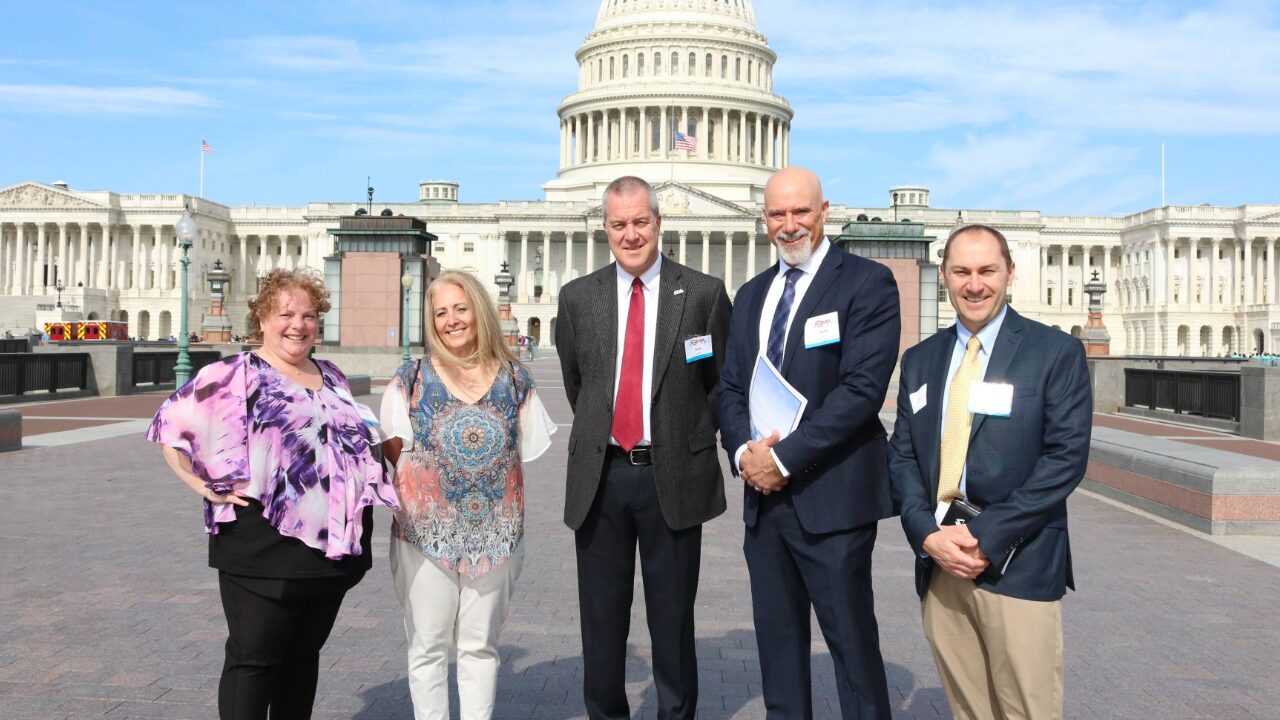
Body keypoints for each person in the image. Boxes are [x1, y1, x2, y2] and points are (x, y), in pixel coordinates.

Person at [146, 268, 398, 720]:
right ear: (261, 318)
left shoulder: (332, 374)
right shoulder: (234, 373)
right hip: (260, 543)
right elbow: (170, 427)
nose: (297, 325)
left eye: (308, 315)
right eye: (285, 314)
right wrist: (203, 485)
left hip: (331, 551)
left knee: (302, 660)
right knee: (254, 660)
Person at [716, 166, 900, 719]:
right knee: (778, 652)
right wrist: (744, 453)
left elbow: (861, 391)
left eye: (801, 211)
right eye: (777, 213)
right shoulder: (750, 295)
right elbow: (729, 387)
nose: (790, 225)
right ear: (763, 220)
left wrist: (783, 458)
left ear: (825, 211)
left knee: (852, 650)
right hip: (765, 505)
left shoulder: (866, 282)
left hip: (833, 498)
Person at [888, 224, 1092, 720]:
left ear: (1009, 274)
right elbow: (903, 457)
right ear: (944, 275)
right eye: (961, 271)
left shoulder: (1054, 353)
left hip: (1018, 563)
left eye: (986, 271)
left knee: (1026, 711)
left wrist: (983, 535)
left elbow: (1065, 459)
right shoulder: (920, 360)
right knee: (969, 711)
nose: (974, 284)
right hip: (941, 566)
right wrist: (926, 534)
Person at [555, 175, 731, 720]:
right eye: (618, 224)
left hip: (672, 473)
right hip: (602, 476)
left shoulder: (703, 293)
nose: (630, 234)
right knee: (601, 618)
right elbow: (577, 382)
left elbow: (717, 381)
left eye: (640, 222)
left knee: (673, 618)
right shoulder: (578, 297)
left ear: (659, 223)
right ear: (604, 227)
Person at [379, 270, 555, 720]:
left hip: (496, 538)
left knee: (479, 648)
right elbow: (391, 456)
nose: (452, 320)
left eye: (460, 308)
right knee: (428, 647)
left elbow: (527, 449)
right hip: (424, 536)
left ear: (479, 310)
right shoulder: (409, 379)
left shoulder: (516, 381)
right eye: (440, 312)